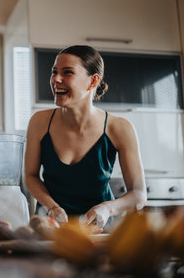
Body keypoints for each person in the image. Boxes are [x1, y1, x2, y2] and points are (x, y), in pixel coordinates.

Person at [24, 45, 147, 233]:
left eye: (67, 73)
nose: (56, 79)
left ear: (93, 81)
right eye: (54, 72)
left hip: (100, 232)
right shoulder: (39, 122)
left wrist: (106, 209)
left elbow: (139, 195)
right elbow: (30, 176)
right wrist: (52, 207)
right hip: (50, 229)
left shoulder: (120, 128)